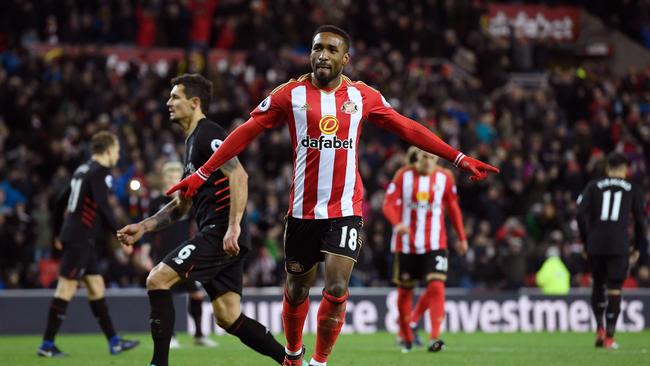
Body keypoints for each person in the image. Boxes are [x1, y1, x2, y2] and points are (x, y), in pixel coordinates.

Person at [166, 26, 498, 366]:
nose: (323, 54)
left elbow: (407, 127)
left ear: (345, 58)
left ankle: (319, 362)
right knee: (296, 290)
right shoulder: (289, 94)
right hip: (301, 212)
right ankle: (294, 354)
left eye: (331, 49)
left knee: (337, 289)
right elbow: (246, 132)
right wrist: (203, 173)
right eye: (317, 48)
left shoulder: (363, 96)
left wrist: (457, 158)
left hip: (345, 209)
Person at [117, 74, 295, 366]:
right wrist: (143, 227)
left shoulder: (207, 133)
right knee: (228, 315)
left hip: (221, 233)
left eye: (175, 97)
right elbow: (180, 207)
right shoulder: (190, 145)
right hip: (221, 233)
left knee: (157, 278)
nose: (168, 102)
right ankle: (289, 361)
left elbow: (238, 175)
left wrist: (234, 226)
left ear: (194, 102)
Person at [37, 131, 139, 357]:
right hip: (80, 237)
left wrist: (57, 233)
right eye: (117, 150)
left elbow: (59, 202)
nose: (118, 155)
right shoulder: (100, 172)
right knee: (66, 287)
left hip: (78, 237)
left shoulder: (82, 170)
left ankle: (114, 342)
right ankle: (46, 345)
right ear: (109, 150)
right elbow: (103, 206)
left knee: (96, 287)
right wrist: (121, 235)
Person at [382, 147, 468, 353]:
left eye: (432, 157)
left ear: (437, 159)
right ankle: (406, 336)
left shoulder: (445, 178)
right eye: (424, 157)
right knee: (405, 293)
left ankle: (434, 337)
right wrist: (397, 224)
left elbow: (453, 208)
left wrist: (462, 237)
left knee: (437, 286)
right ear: (416, 158)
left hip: (435, 243)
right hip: (406, 244)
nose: (428, 161)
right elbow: (388, 204)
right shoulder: (404, 175)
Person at [134, 161, 217, 348]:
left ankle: (199, 335)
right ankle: (170, 336)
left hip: (186, 255)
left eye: (177, 176)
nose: (174, 179)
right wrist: (145, 254)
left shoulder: (187, 199)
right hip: (164, 255)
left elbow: (200, 223)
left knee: (196, 294)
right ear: (164, 179)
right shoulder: (157, 202)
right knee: (166, 295)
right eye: (171, 176)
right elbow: (149, 229)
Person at [576, 152, 647, 349]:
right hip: (619, 245)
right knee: (615, 288)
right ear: (625, 169)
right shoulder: (633, 188)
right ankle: (609, 337)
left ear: (607, 169)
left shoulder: (593, 185)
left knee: (598, 284)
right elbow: (641, 220)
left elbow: (580, 213)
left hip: (595, 244)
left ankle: (599, 328)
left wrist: (585, 240)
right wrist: (639, 246)